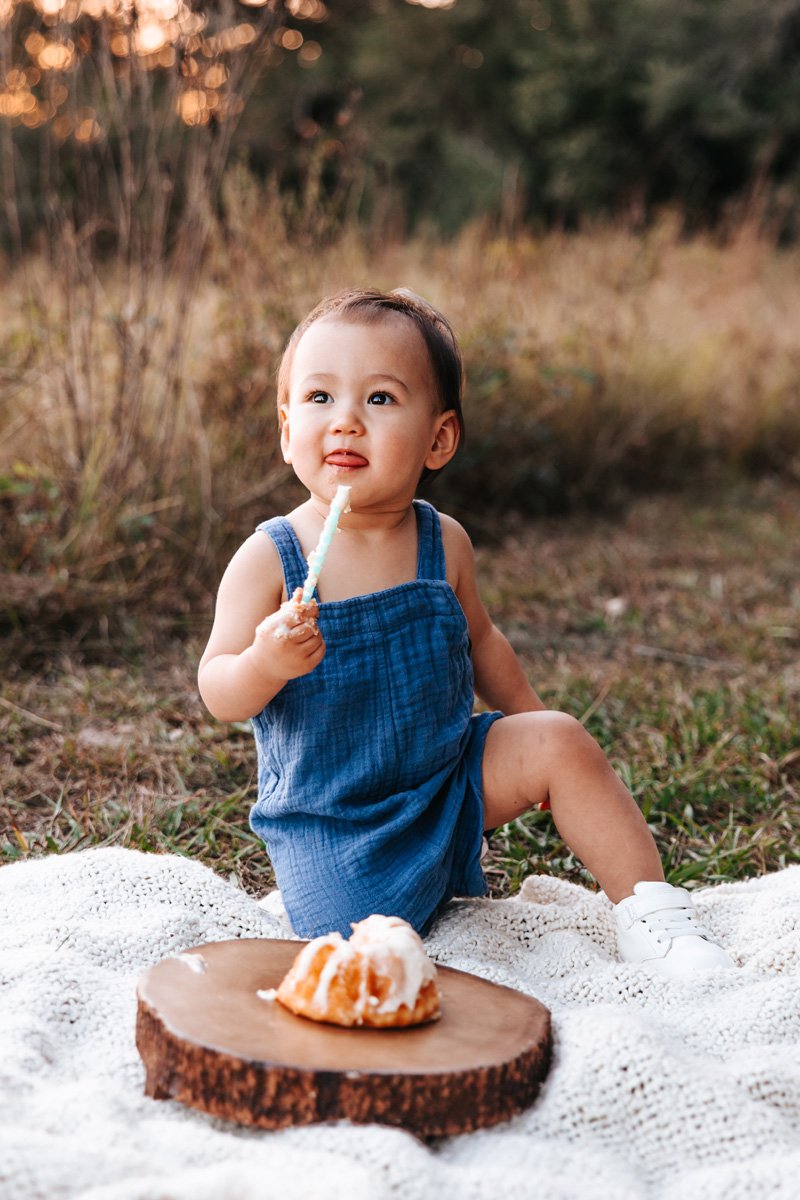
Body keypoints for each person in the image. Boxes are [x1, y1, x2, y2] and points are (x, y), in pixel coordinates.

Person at [198, 287, 734, 978]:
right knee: (354, 953)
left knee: (561, 739)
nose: (346, 423)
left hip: (446, 787)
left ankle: (654, 916)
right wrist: (265, 663)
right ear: (284, 429)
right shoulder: (273, 556)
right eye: (320, 398)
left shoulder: (441, 542)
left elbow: (482, 643)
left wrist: (531, 730)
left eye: (381, 399)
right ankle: (301, 900)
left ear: (439, 438)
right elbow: (218, 687)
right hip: (335, 827)